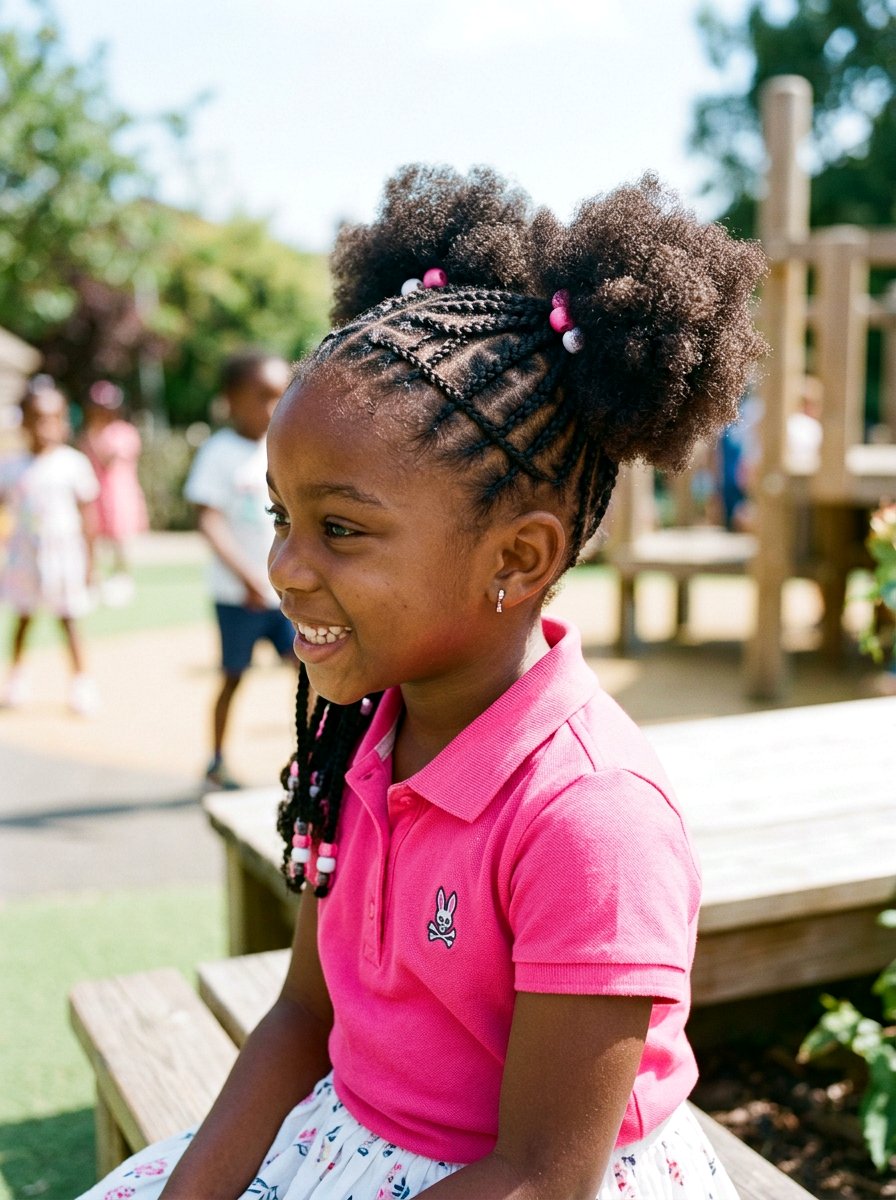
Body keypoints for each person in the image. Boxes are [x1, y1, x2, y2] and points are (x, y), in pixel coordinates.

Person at [79, 166, 766, 1200]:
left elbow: (540, 1174)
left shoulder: (590, 817)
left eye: (340, 529)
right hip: (346, 1144)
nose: (286, 568)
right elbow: (304, 1016)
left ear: (517, 561)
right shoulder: (353, 734)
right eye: (281, 518)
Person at [184, 349, 294, 789]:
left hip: (285, 594)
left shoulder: (284, 447)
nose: (271, 408)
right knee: (233, 676)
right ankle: (216, 760)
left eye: (279, 397)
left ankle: (308, 757)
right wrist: (248, 577)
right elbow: (208, 519)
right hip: (239, 597)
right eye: (261, 397)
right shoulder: (219, 452)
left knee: (306, 672)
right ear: (231, 399)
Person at [0, 378, 100, 714]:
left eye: (54, 418)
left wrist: (90, 562)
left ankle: (81, 683)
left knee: (68, 619)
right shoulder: (11, 466)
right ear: (24, 421)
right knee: (23, 617)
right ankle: (16, 678)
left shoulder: (73, 464)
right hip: (25, 558)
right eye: (38, 418)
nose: (47, 426)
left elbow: (88, 518)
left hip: (64, 558)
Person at [78, 379, 149, 606]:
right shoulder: (90, 433)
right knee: (93, 541)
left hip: (119, 496)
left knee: (121, 542)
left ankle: (123, 582)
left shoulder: (124, 432)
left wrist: (92, 436)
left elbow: (106, 460)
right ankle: (94, 583)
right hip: (95, 496)